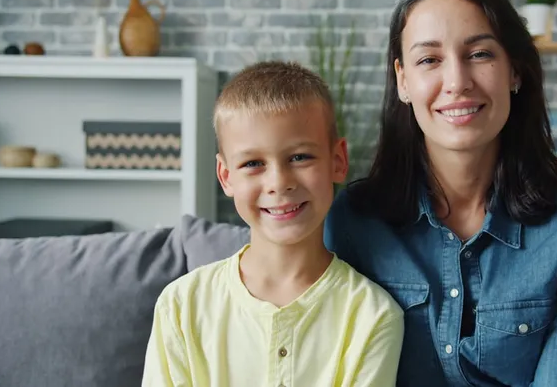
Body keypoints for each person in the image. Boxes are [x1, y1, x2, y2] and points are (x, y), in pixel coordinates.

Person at [325, 0, 557, 387]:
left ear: (514, 70)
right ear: (403, 80)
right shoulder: (351, 222)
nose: (457, 82)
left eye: (479, 54)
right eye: (429, 60)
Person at [142, 61, 404, 387]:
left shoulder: (372, 315)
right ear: (226, 176)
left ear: (338, 161)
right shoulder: (180, 306)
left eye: (299, 157)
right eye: (253, 163)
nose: (278, 183)